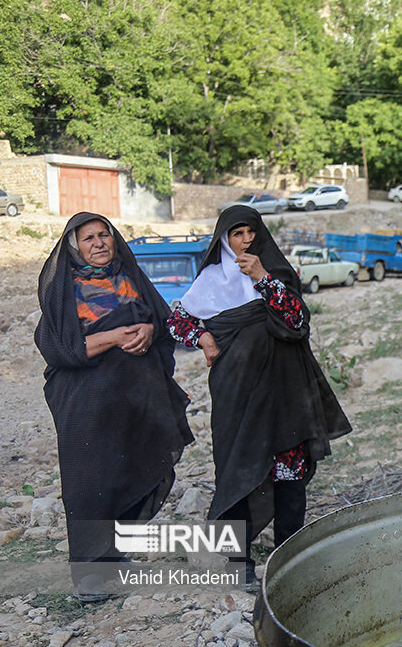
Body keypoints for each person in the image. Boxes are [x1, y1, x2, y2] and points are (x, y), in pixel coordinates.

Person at [168, 206, 350, 590]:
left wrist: (263, 278)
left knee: (290, 475)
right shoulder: (210, 281)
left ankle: (288, 555)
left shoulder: (277, 274)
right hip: (237, 396)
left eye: (251, 231)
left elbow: (298, 323)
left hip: (286, 392)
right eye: (236, 234)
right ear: (223, 239)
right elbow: (176, 320)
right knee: (238, 470)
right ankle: (239, 563)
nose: (246, 240)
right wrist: (202, 338)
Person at [36, 213, 193, 601]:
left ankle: (114, 557)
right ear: (74, 247)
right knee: (90, 481)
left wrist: (150, 330)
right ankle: (88, 575)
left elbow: (161, 319)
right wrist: (113, 336)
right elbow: (60, 350)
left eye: (104, 234)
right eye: (88, 238)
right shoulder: (64, 290)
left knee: (131, 468)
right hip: (86, 403)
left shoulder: (131, 276)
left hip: (136, 397)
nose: (99, 243)